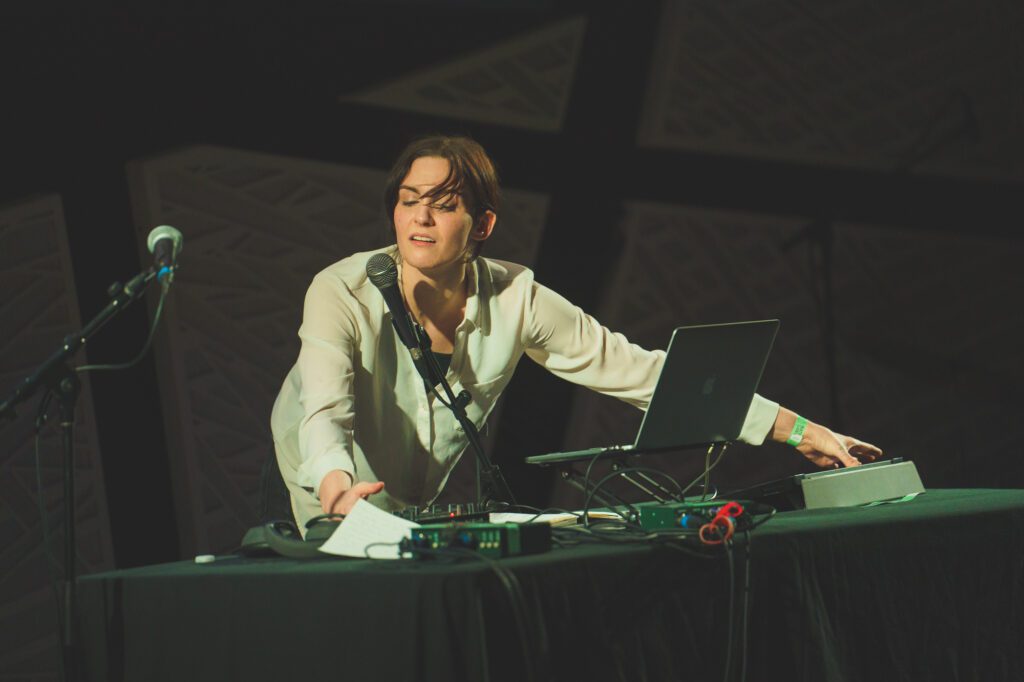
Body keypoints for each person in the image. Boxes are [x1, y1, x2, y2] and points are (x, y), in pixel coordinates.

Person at [270, 135, 882, 530]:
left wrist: (798, 429)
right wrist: (335, 486)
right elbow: (325, 411)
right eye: (409, 200)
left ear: (482, 224)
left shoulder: (516, 296)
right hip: (321, 480)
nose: (421, 217)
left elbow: (639, 372)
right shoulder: (340, 290)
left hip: (413, 496)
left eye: (444, 204)